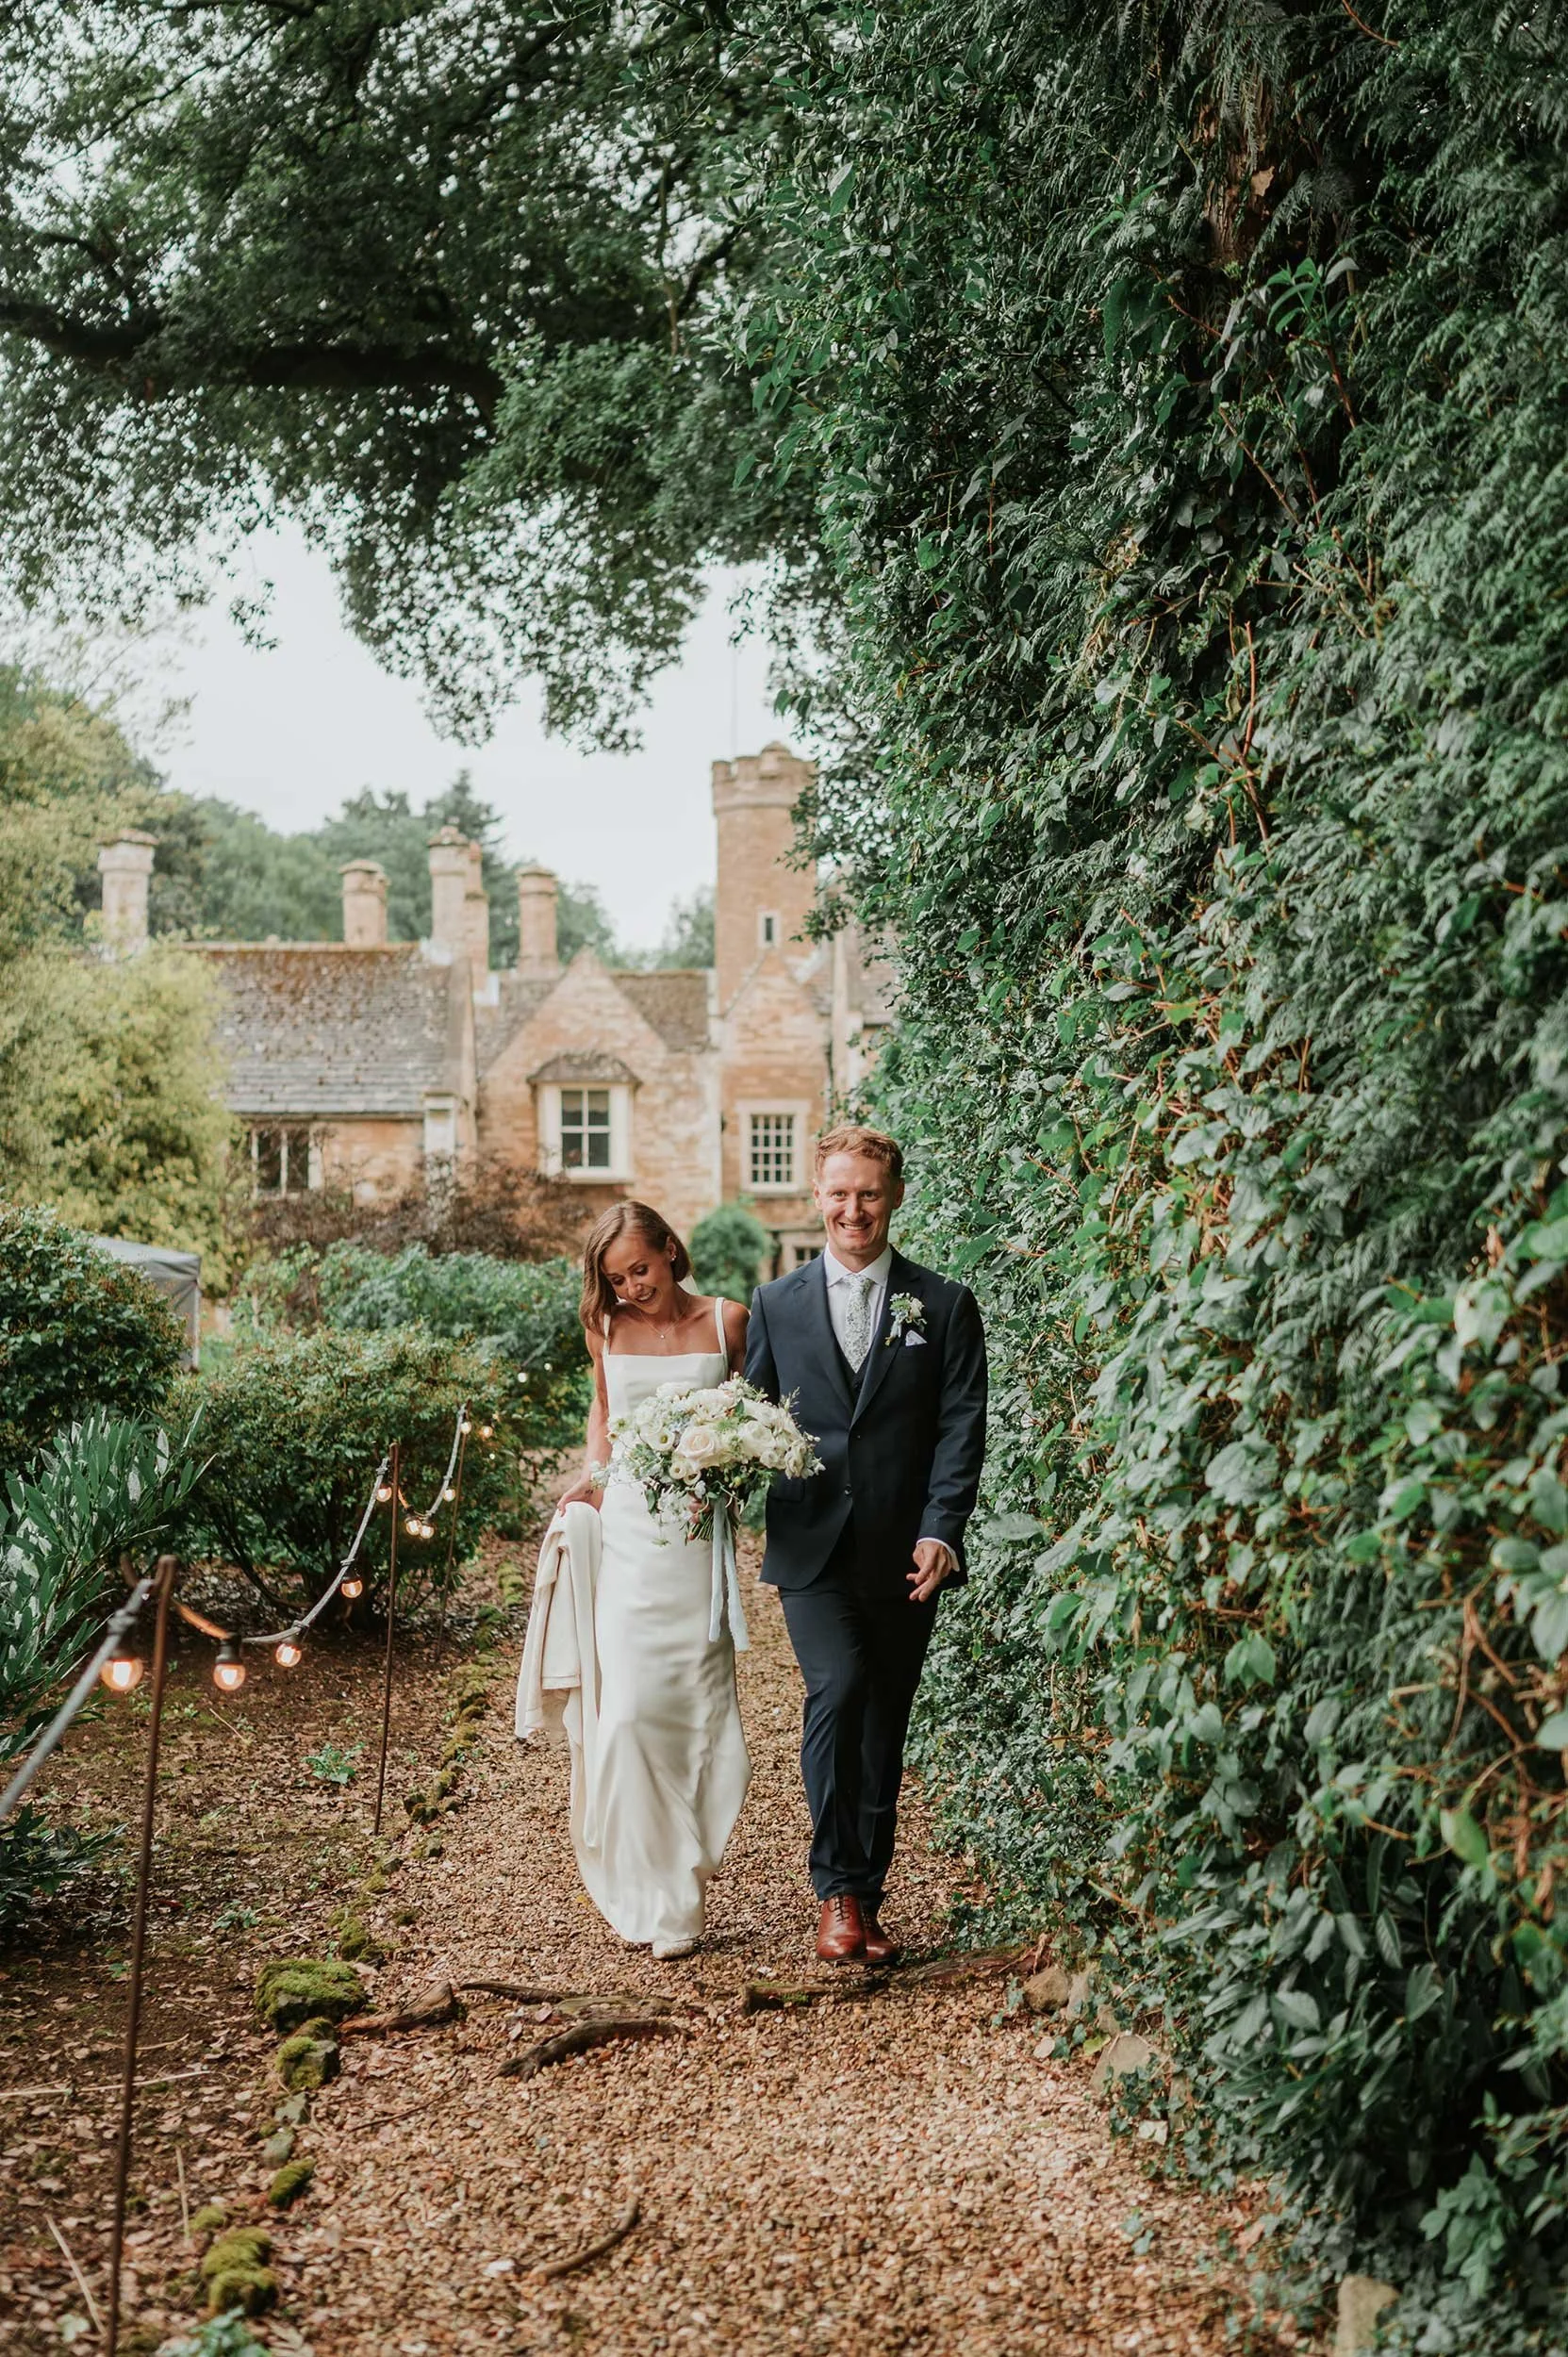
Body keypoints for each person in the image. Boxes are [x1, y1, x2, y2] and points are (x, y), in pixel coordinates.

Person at [746, 1126, 987, 1964]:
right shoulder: (774, 1305)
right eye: (839, 1193)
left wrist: (940, 1531)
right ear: (816, 1196)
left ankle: (867, 1899)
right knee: (838, 1689)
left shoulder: (945, 1304)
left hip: (902, 1551)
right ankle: (835, 1893)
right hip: (810, 1547)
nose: (854, 1210)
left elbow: (961, 1428)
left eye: (870, 1194)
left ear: (895, 1196)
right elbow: (751, 1418)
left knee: (884, 1720)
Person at [554, 1201, 751, 1960]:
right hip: (633, 1537)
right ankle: (652, 1890)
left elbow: (753, 1415)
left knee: (695, 1708)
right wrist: (590, 1483)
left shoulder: (728, 1321)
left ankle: (687, 1878)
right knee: (631, 1712)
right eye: (615, 1278)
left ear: (671, 1250)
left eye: (639, 1269)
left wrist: (732, 1474)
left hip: (699, 1542)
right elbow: (604, 1413)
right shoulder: (606, 1329)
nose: (631, 1288)